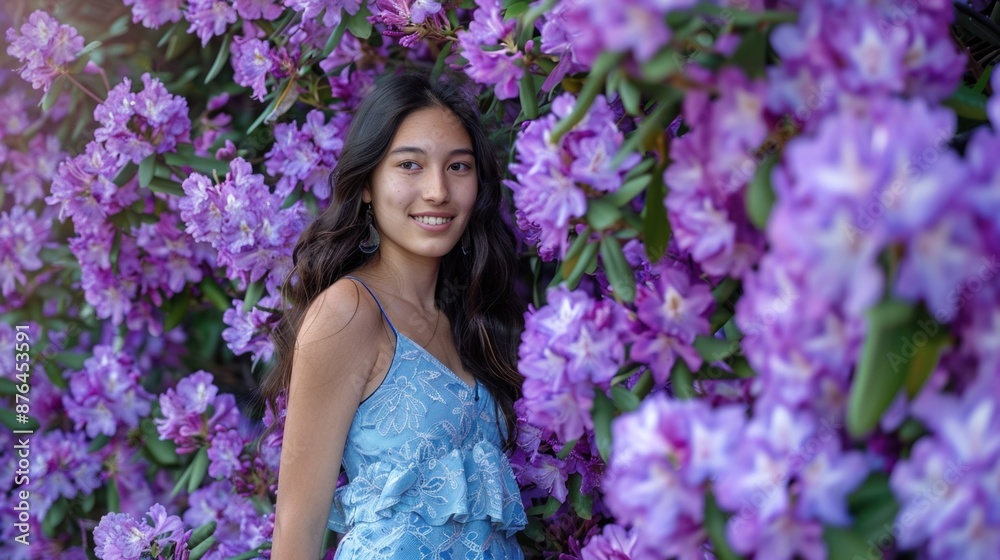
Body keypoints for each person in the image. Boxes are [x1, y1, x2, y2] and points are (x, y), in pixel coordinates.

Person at [262, 72, 528, 559]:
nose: (437, 191)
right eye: (410, 165)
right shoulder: (348, 312)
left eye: (459, 167)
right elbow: (296, 532)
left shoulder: (467, 318)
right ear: (367, 184)